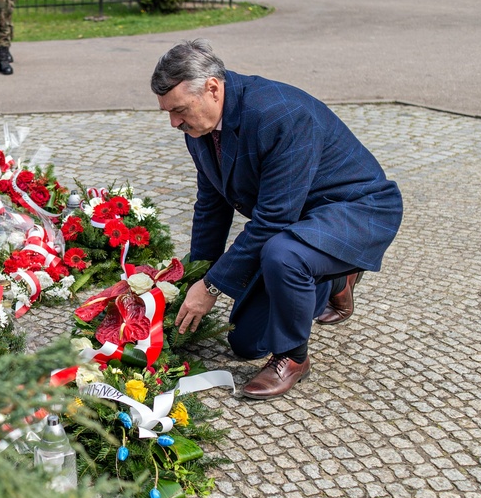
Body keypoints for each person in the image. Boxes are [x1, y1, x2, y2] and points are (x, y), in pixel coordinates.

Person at [152, 39, 403, 400]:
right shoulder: (199, 129)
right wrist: (197, 276)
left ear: (212, 88)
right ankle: (334, 280)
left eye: (179, 110)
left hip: (356, 211)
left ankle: (293, 357)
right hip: (299, 224)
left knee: (283, 253)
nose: (174, 122)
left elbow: (272, 221)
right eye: (168, 113)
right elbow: (211, 206)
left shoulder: (279, 114)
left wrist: (210, 290)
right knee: (246, 341)